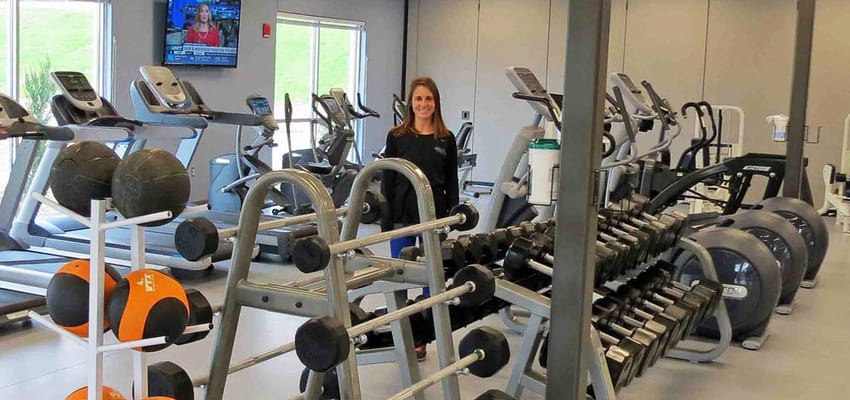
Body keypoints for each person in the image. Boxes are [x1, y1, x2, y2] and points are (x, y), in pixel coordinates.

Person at [381, 77, 460, 361]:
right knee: (399, 275)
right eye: (418, 99)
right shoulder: (397, 136)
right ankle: (402, 333)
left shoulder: (446, 138)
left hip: (433, 215)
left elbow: (451, 180)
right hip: (402, 214)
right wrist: (386, 216)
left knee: (430, 277)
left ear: (435, 103)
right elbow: (388, 178)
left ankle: (423, 336)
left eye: (428, 99)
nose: (423, 104)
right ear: (411, 104)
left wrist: (452, 215)